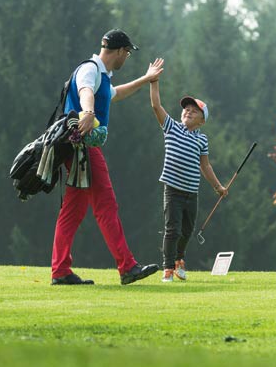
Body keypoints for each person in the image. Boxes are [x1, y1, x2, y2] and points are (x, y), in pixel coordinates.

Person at [50, 29, 163, 285]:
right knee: (106, 206)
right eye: (127, 54)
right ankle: (127, 266)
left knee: (73, 210)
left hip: (75, 147)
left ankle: (60, 270)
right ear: (121, 51)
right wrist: (88, 111)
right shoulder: (91, 69)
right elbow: (85, 91)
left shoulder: (101, 74)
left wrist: (146, 79)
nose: (127, 58)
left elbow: (116, 94)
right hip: (83, 148)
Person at [147, 58, 228, 283]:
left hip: (191, 193)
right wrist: (153, 81)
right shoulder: (171, 127)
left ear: (202, 121)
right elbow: (156, 106)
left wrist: (218, 187)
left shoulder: (202, 139)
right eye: (186, 109)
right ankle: (167, 269)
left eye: (194, 111)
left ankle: (179, 259)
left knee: (187, 231)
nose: (188, 112)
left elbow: (206, 166)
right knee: (172, 229)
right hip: (172, 190)